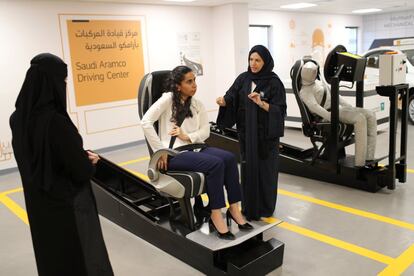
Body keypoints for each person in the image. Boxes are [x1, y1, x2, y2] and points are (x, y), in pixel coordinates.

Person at [10, 53, 113, 276]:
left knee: (51, 257)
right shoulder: (56, 122)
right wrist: (90, 161)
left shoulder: (17, 119)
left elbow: (38, 157)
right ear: (52, 83)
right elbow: (80, 170)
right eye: (64, 81)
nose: (65, 86)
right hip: (68, 207)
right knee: (80, 257)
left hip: (38, 204)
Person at [140, 65, 253, 240]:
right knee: (216, 164)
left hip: (196, 148)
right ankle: (216, 213)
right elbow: (146, 122)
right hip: (174, 153)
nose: (194, 85)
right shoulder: (168, 99)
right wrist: (159, 150)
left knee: (230, 159)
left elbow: (205, 132)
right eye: (189, 81)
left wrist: (187, 136)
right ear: (178, 85)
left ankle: (234, 208)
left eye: (195, 81)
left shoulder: (197, 104)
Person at [216, 45, 287, 221]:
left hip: (266, 138)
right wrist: (224, 102)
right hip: (247, 136)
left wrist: (261, 103)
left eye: (257, 60)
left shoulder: (274, 82)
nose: (253, 64)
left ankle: (265, 207)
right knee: (247, 171)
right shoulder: (243, 79)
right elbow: (231, 96)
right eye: (251, 59)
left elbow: (280, 109)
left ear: (265, 61)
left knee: (265, 173)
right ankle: (248, 207)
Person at [299, 61, 377, 167]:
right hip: (329, 115)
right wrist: (331, 117)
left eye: (315, 71)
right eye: (313, 72)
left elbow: (336, 95)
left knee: (370, 114)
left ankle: (369, 156)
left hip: (338, 110)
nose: (315, 73)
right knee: (360, 118)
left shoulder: (320, 82)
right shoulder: (304, 92)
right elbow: (315, 107)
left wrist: (350, 107)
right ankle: (360, 163)